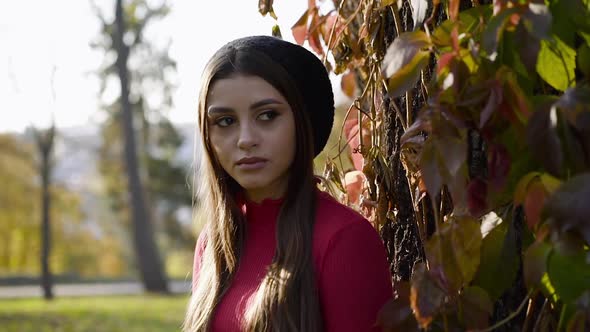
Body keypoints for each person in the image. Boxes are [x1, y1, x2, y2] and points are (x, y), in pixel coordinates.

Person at [183, 35, 393, 332]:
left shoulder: (344, 239)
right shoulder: (213, 244)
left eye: (267, 115)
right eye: (225, 121)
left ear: (303, 122)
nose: (245, 139)